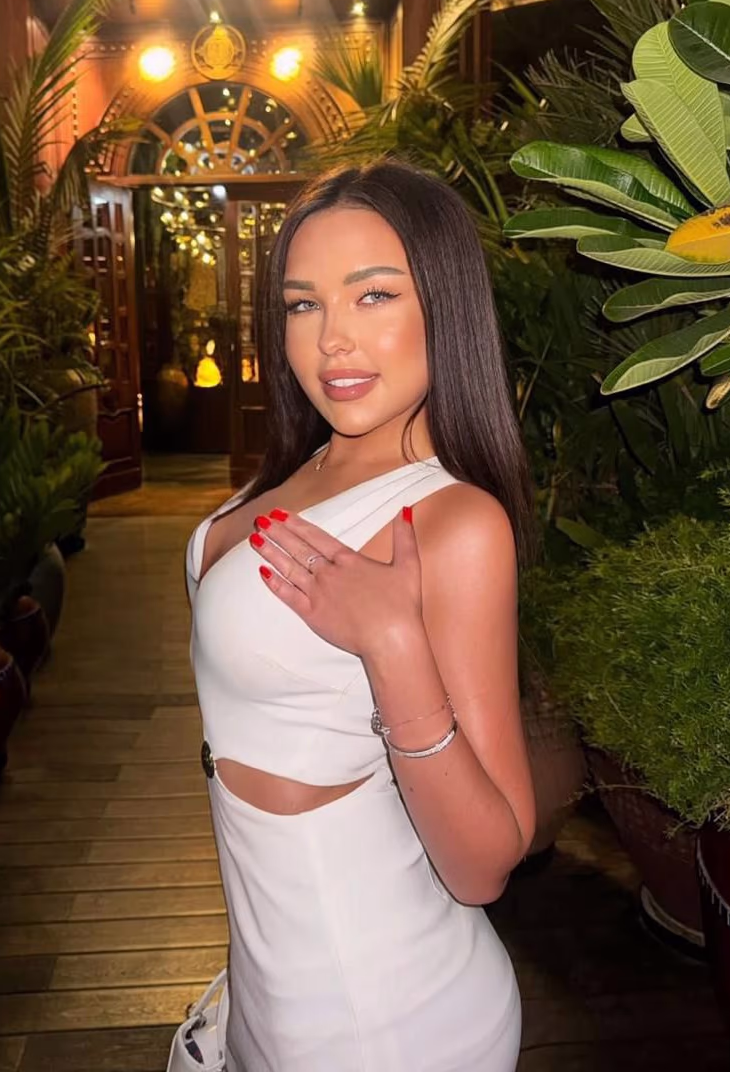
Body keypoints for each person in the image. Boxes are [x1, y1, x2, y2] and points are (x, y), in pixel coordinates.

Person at [185, 159, 536, 1071]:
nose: (332, 339)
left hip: (380, 1019)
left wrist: (391, 643)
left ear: (444, 308)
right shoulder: (302, 470)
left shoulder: (454, 523)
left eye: (373, 295)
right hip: (272, 986)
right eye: (303, 305)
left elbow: (484, 863)